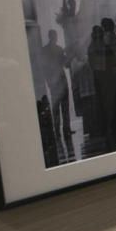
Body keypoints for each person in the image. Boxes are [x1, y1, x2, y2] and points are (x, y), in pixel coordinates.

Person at [41, 29, 73, 161]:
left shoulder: (45, 51)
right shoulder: (59, 49)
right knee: (63, 107)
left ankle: (58, 131)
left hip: (55, 82)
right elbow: (66, 65)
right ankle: (65, 130)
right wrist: (69, 55)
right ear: (53, 37)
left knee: (57, 108)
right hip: (60, 80)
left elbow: (44, 68)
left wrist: (48, 82)